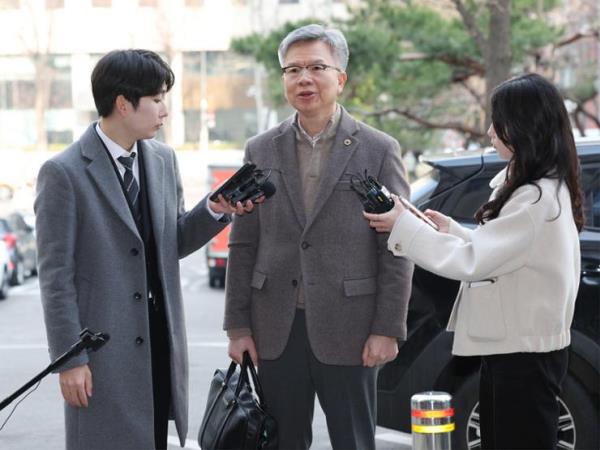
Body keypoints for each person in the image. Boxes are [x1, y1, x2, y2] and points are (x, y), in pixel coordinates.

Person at [35, 49, 256, 450]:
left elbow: (171, 244)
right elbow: (55, 278)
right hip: (101, 351)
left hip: (160, 341)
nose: (164, 110)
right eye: (156, 99)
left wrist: (215, 210)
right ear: (123, 104)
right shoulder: (63, 172)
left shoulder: (163, 159)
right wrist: (70, 360)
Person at [364, 73, 583, 450]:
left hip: (522, 353)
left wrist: (403, 226)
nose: (490, 131)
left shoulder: (534, 196)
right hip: (520, 347)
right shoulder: (539, 187)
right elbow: (498, 252)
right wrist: (449, 229)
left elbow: (472, 262)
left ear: (523, 125)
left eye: (498, 121)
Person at [223, 24, 414, 449]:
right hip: (276, 326)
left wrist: (387, 328)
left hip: (352, 327)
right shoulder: (260, 149)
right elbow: (243, 242)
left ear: (340, 78)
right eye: (292, 70)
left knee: (354, 441)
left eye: (316, 67)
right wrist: (238, 326)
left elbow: (397, 247)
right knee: (283, 442)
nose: (303, 79)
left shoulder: (378, 149)